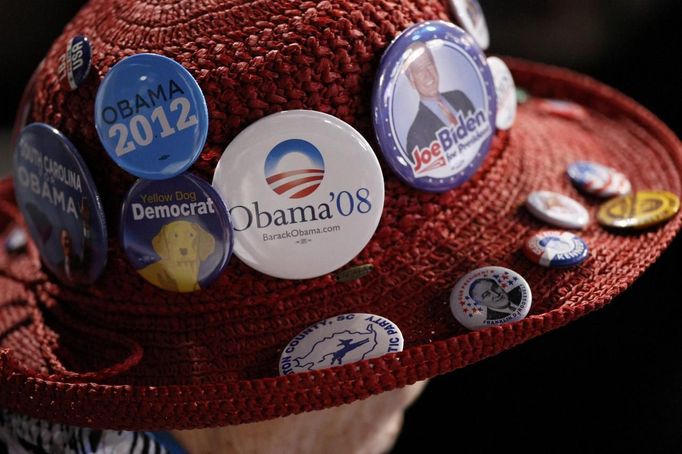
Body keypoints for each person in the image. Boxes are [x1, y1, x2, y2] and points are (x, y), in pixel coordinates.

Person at [403, 42, 475, 164]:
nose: (428, 76)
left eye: (429, 65)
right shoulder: (416, 136)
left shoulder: (460, 96)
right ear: (411, 81)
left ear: (435, 66)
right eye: (419, 70)